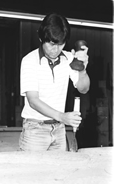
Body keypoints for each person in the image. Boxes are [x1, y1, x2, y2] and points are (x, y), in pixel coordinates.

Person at [19, 12, 90, 151]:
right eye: (51, 44)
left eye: (61, 44)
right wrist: (62, 116)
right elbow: (33, 100)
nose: (56, 49)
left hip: (59, 129)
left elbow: (83, 89)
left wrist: (82, 70)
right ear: (41, 38)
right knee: (31, 172)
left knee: (59, 171)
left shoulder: (69, 58)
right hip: (35, 129)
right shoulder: (29, 60)